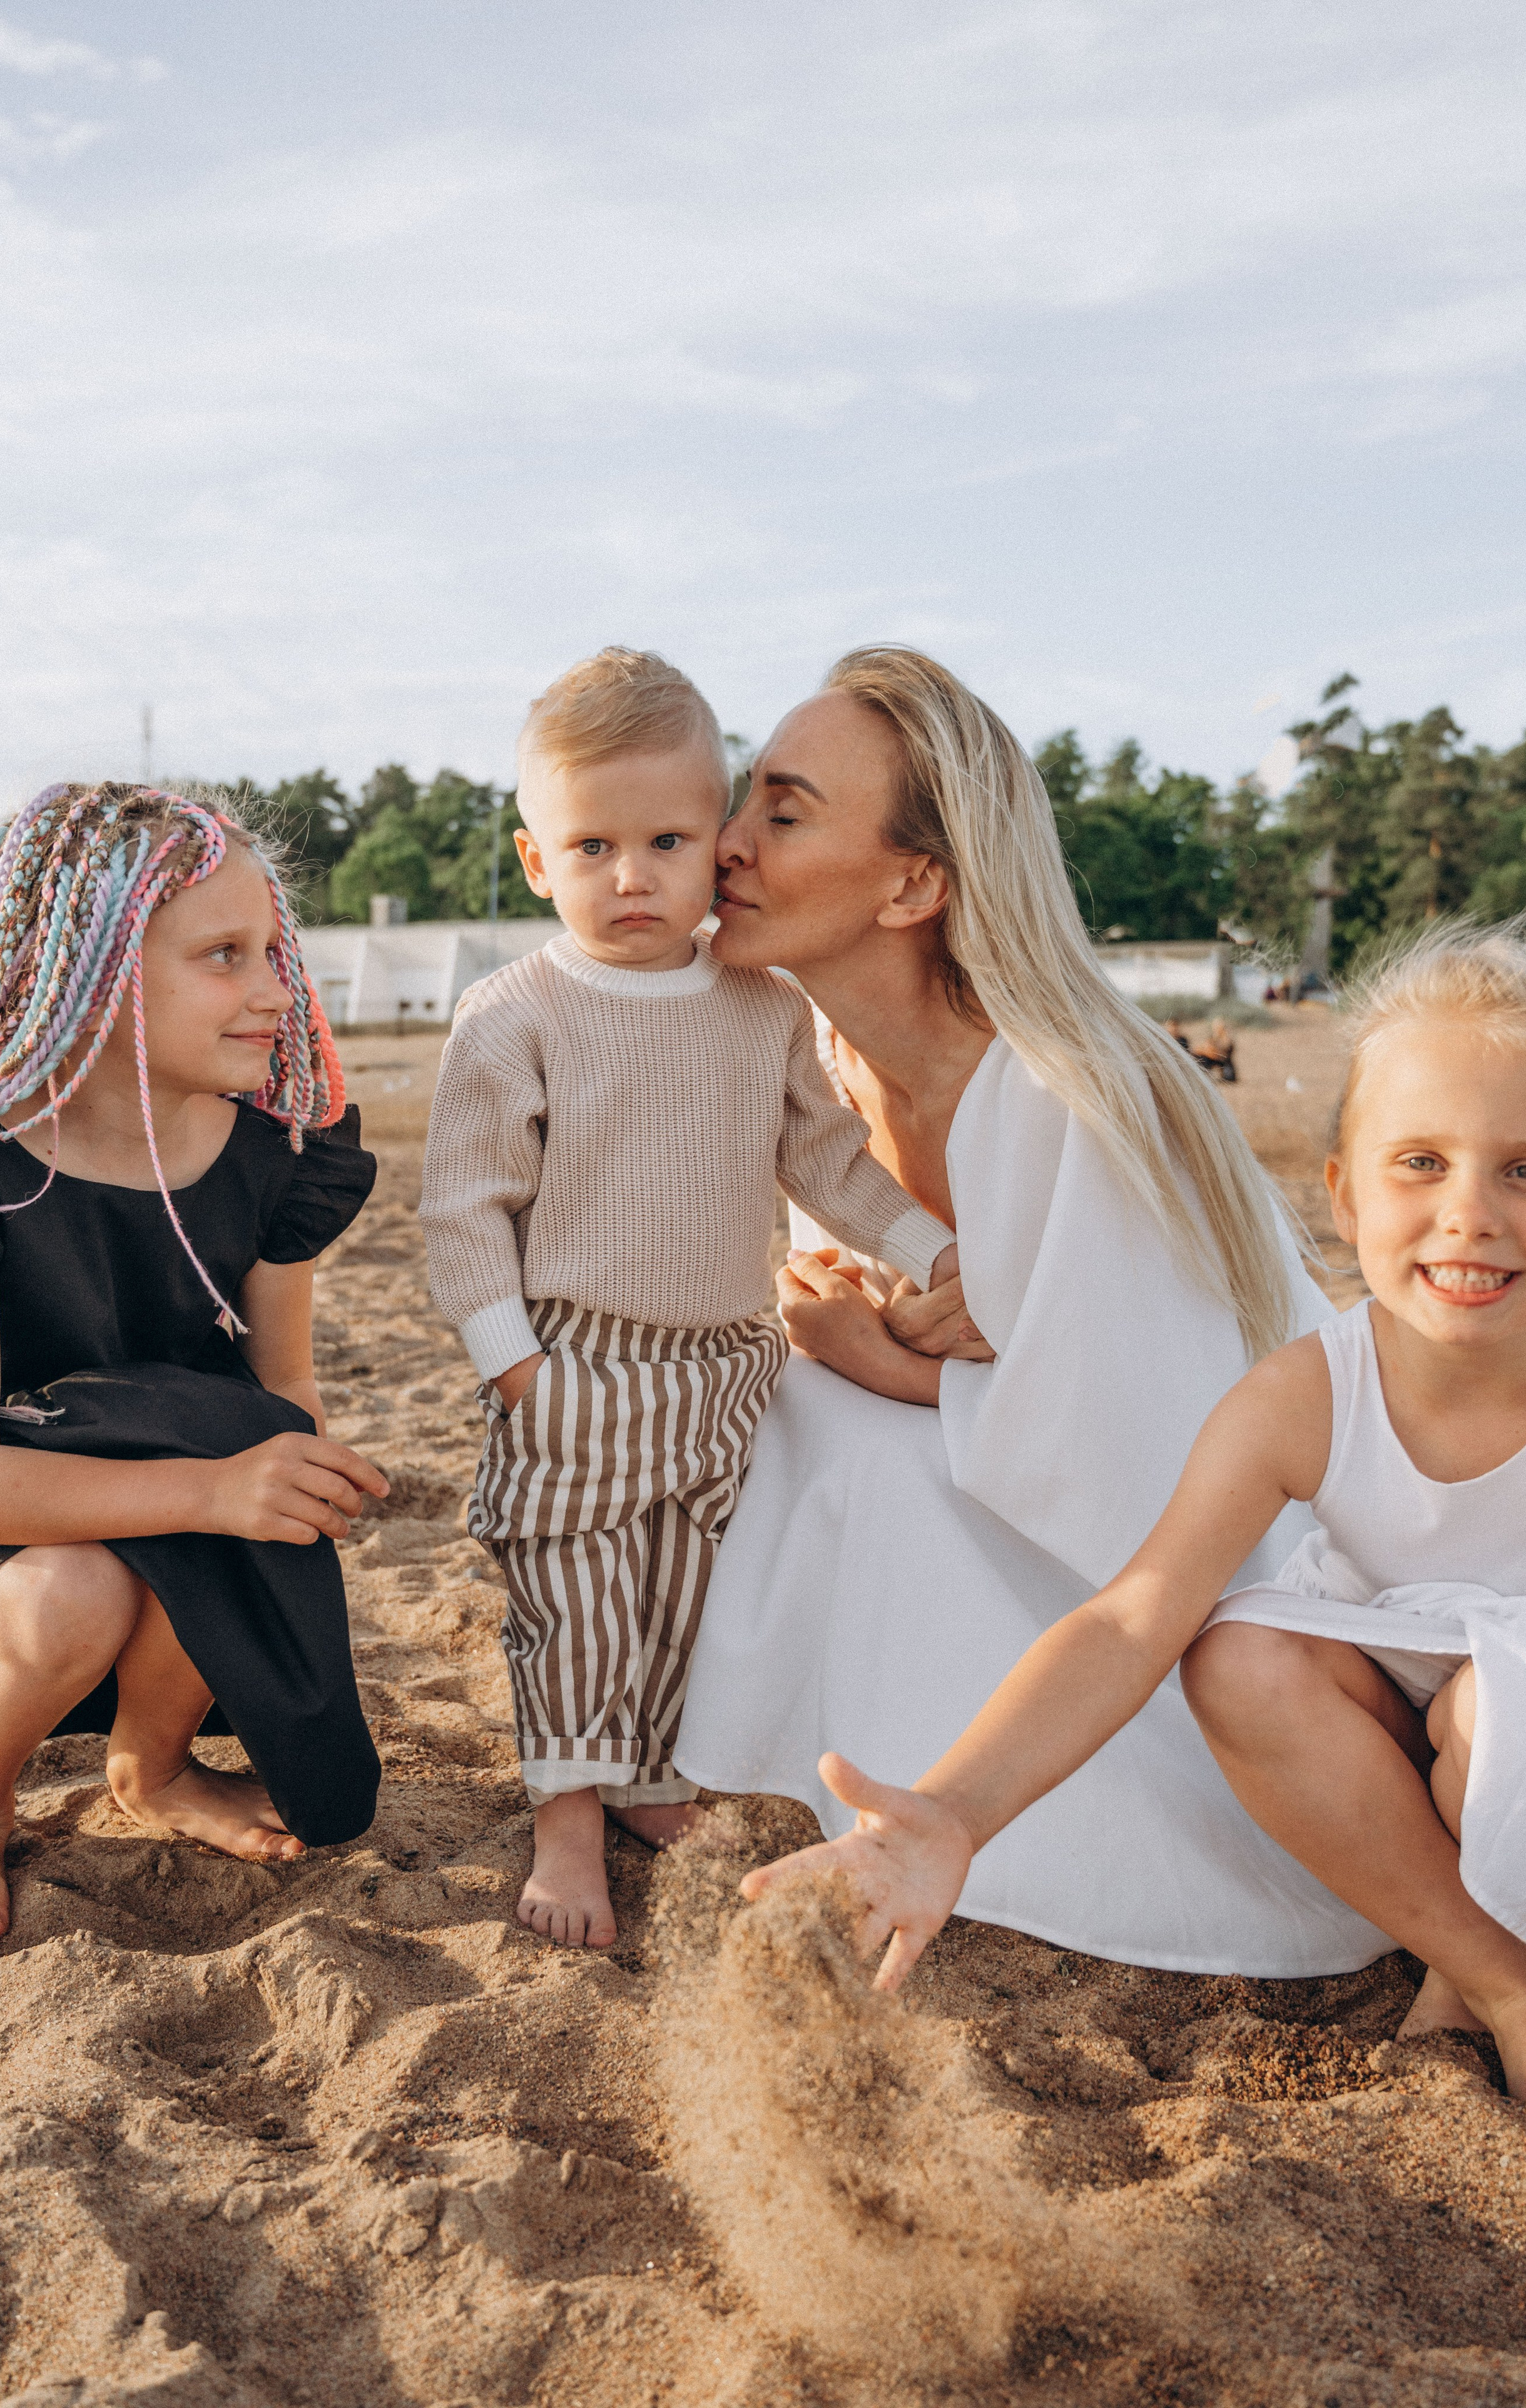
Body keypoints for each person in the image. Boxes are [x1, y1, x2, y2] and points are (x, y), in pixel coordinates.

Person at [742, 921, 1526, 2125]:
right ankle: (1512, 1985)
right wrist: (958, 1814)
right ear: (1344, 1196)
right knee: (1239, 1658)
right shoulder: (1310, 1392)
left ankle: (1485, 1963)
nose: (1470, 1217)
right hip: (1401, 1740)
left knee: (1485, 1704)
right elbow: (1133, 1619)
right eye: (1419, 1164)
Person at [676, 645, 1388, 1977]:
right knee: (793, 1408)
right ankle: (834, 1770)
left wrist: (870, 1354)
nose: (726, 843)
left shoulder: (1067, 1098)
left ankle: (993, 1814)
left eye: (783, 810)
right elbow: (868, 1319)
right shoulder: (815, 1065)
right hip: (1049, 1515)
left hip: (1214, 1587)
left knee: (840, 1415)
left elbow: (1145, 1460)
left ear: (912, 883)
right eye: (742, 800)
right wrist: (866, 1341)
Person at [418, 649, 952, 1952]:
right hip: (574, 1355)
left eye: (665, 839)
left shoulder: (756, 1004)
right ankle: (565, 1816)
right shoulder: (512, 1016)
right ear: (538, 861)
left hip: (722, 1356)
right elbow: (464, 1208)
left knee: (679, 1584)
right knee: (576, 1591)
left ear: (713, 838)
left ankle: (650, 1775)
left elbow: (823, 1160)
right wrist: (515, 1367)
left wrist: (932, 1247)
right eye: (591, 845)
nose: (631, 874)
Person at [0, 783, 387, 1942]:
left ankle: (151, 1765)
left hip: (175, 1508)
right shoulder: (0, 1171)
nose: (275, 990)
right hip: (21, 1539)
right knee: (81, 1586)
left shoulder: (279, 1158)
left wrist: (286, 1479)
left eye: (273, 951)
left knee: (260, 1475)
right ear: (98, 978)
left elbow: (283, 1390)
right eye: (226, 956)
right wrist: (216, 1490)